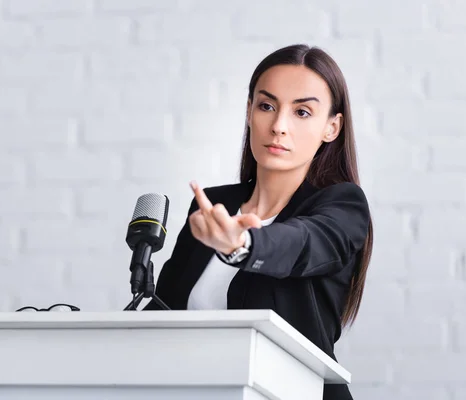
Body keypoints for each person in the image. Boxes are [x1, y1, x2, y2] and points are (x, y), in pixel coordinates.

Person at [143, 44, 374, 400]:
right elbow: (162, 314)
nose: (279, 126)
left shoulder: (343, 205)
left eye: (302, 112)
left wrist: (243, 246)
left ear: (331, 127)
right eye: (267, 106)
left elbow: (301, 243)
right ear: (249, 112)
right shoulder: (214, 207)